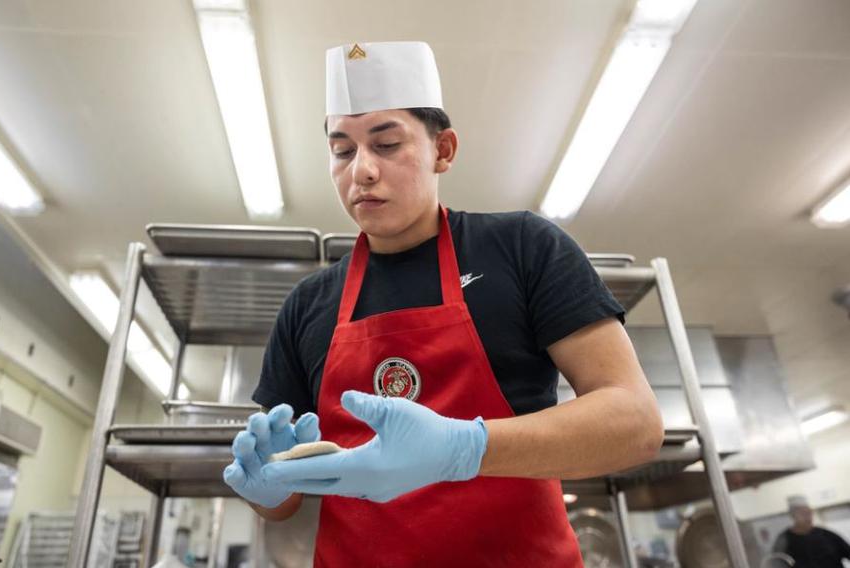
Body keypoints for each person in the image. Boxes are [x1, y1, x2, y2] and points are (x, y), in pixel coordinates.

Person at [223, 41, 664, 566]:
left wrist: (466, 449)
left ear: (444, 149)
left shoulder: (522, 248)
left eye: (386, 144)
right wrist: (266, 486)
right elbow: (285, 501)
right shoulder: (309, 303)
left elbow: (635, 424)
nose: (361, 170)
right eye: (342, 151)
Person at [773, 495, 850, 567]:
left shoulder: (827, 535)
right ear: (792, 515)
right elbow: (776, 564)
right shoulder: (784, 541)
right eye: (802, 513)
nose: (808, 517)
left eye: (808, 512)